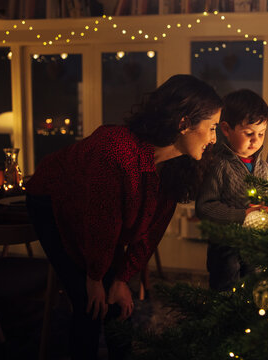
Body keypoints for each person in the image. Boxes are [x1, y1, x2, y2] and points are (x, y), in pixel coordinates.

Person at [25, 74, 222, 360]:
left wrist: (121, 279)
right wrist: (95, 278)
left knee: (118, 303)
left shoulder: (178, 168)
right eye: (212, 127)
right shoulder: (115, 149)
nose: (215, 138)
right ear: (183, 124)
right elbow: (101, 222)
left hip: (98, 218)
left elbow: (150, 233)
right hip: (53, 200)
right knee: (89, 303)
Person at [196, 89, 268, 292]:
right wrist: (242, 215)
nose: (256, 140)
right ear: (226, 129)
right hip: (225, 249)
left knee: (254, 291)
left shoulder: (265, 169)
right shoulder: (218, 165)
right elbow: (204, 208)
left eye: (261, 134)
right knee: (226, 291)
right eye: (249, 133)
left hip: (256, 247)